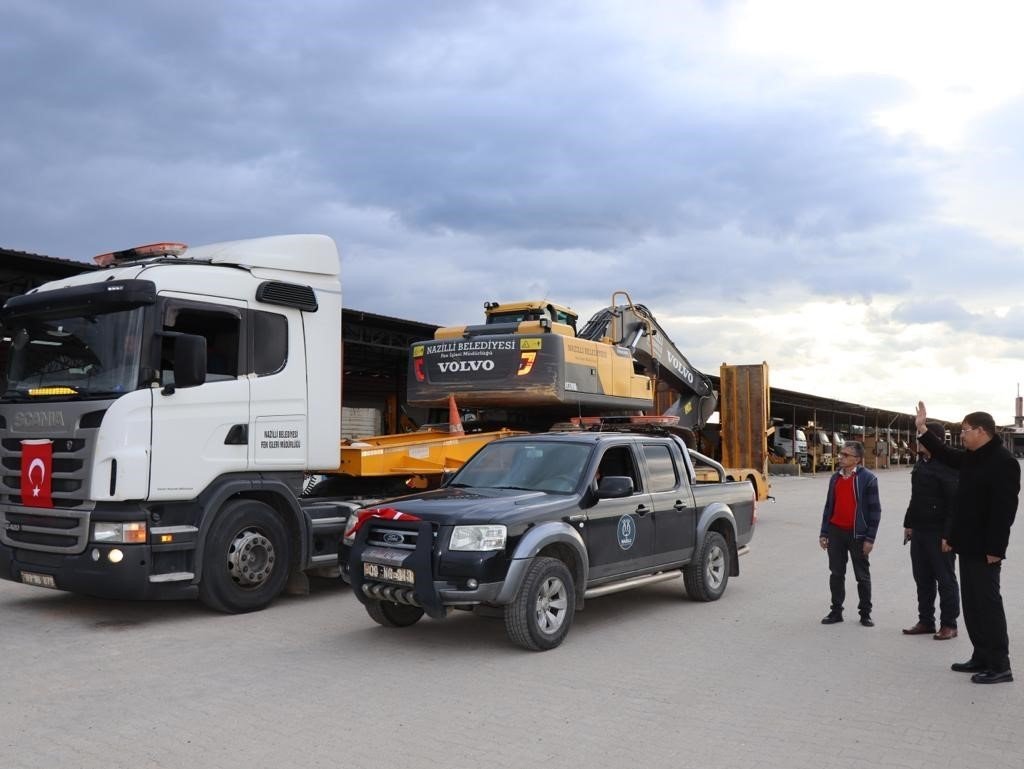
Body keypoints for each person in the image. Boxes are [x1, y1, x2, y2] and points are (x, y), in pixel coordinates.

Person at [915, 402, 1020, 684]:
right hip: (968, 545)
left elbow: (1004, 512)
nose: (961, 435)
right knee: (972, 604)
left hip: (986, 549)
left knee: (988, 605)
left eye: (965, 430)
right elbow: (945, 454)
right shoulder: (975, 456)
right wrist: (922, 429)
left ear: (982, 431)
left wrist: (996, 549)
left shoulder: (1003, 462)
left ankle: (1000, 665)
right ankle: (981, 656)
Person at [902, 421, 960, 640]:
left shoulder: (948, 465)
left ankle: (949, 624)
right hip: (919, 530)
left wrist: (948, 535)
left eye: (922, 436)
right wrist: (909, 523)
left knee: (945, 579)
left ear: (935, 440)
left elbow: (954, 504)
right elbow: (915, 497)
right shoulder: (921, 463)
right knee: (922, 578)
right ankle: (926, 621)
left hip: (939, 532)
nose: (918, 440)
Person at [818, 440, 882, 627]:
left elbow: (875, 510)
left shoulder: (868, 479)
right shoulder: (835, 478)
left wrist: (870, 538)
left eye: (845, 455)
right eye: (841, 454)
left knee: (862, 576)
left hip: (857, 535)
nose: (841, 457)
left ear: (857, 459)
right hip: (836, 532)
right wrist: (824, 532)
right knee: (836, 574)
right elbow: (828, 507)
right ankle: (836, 611)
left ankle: (865, 613)